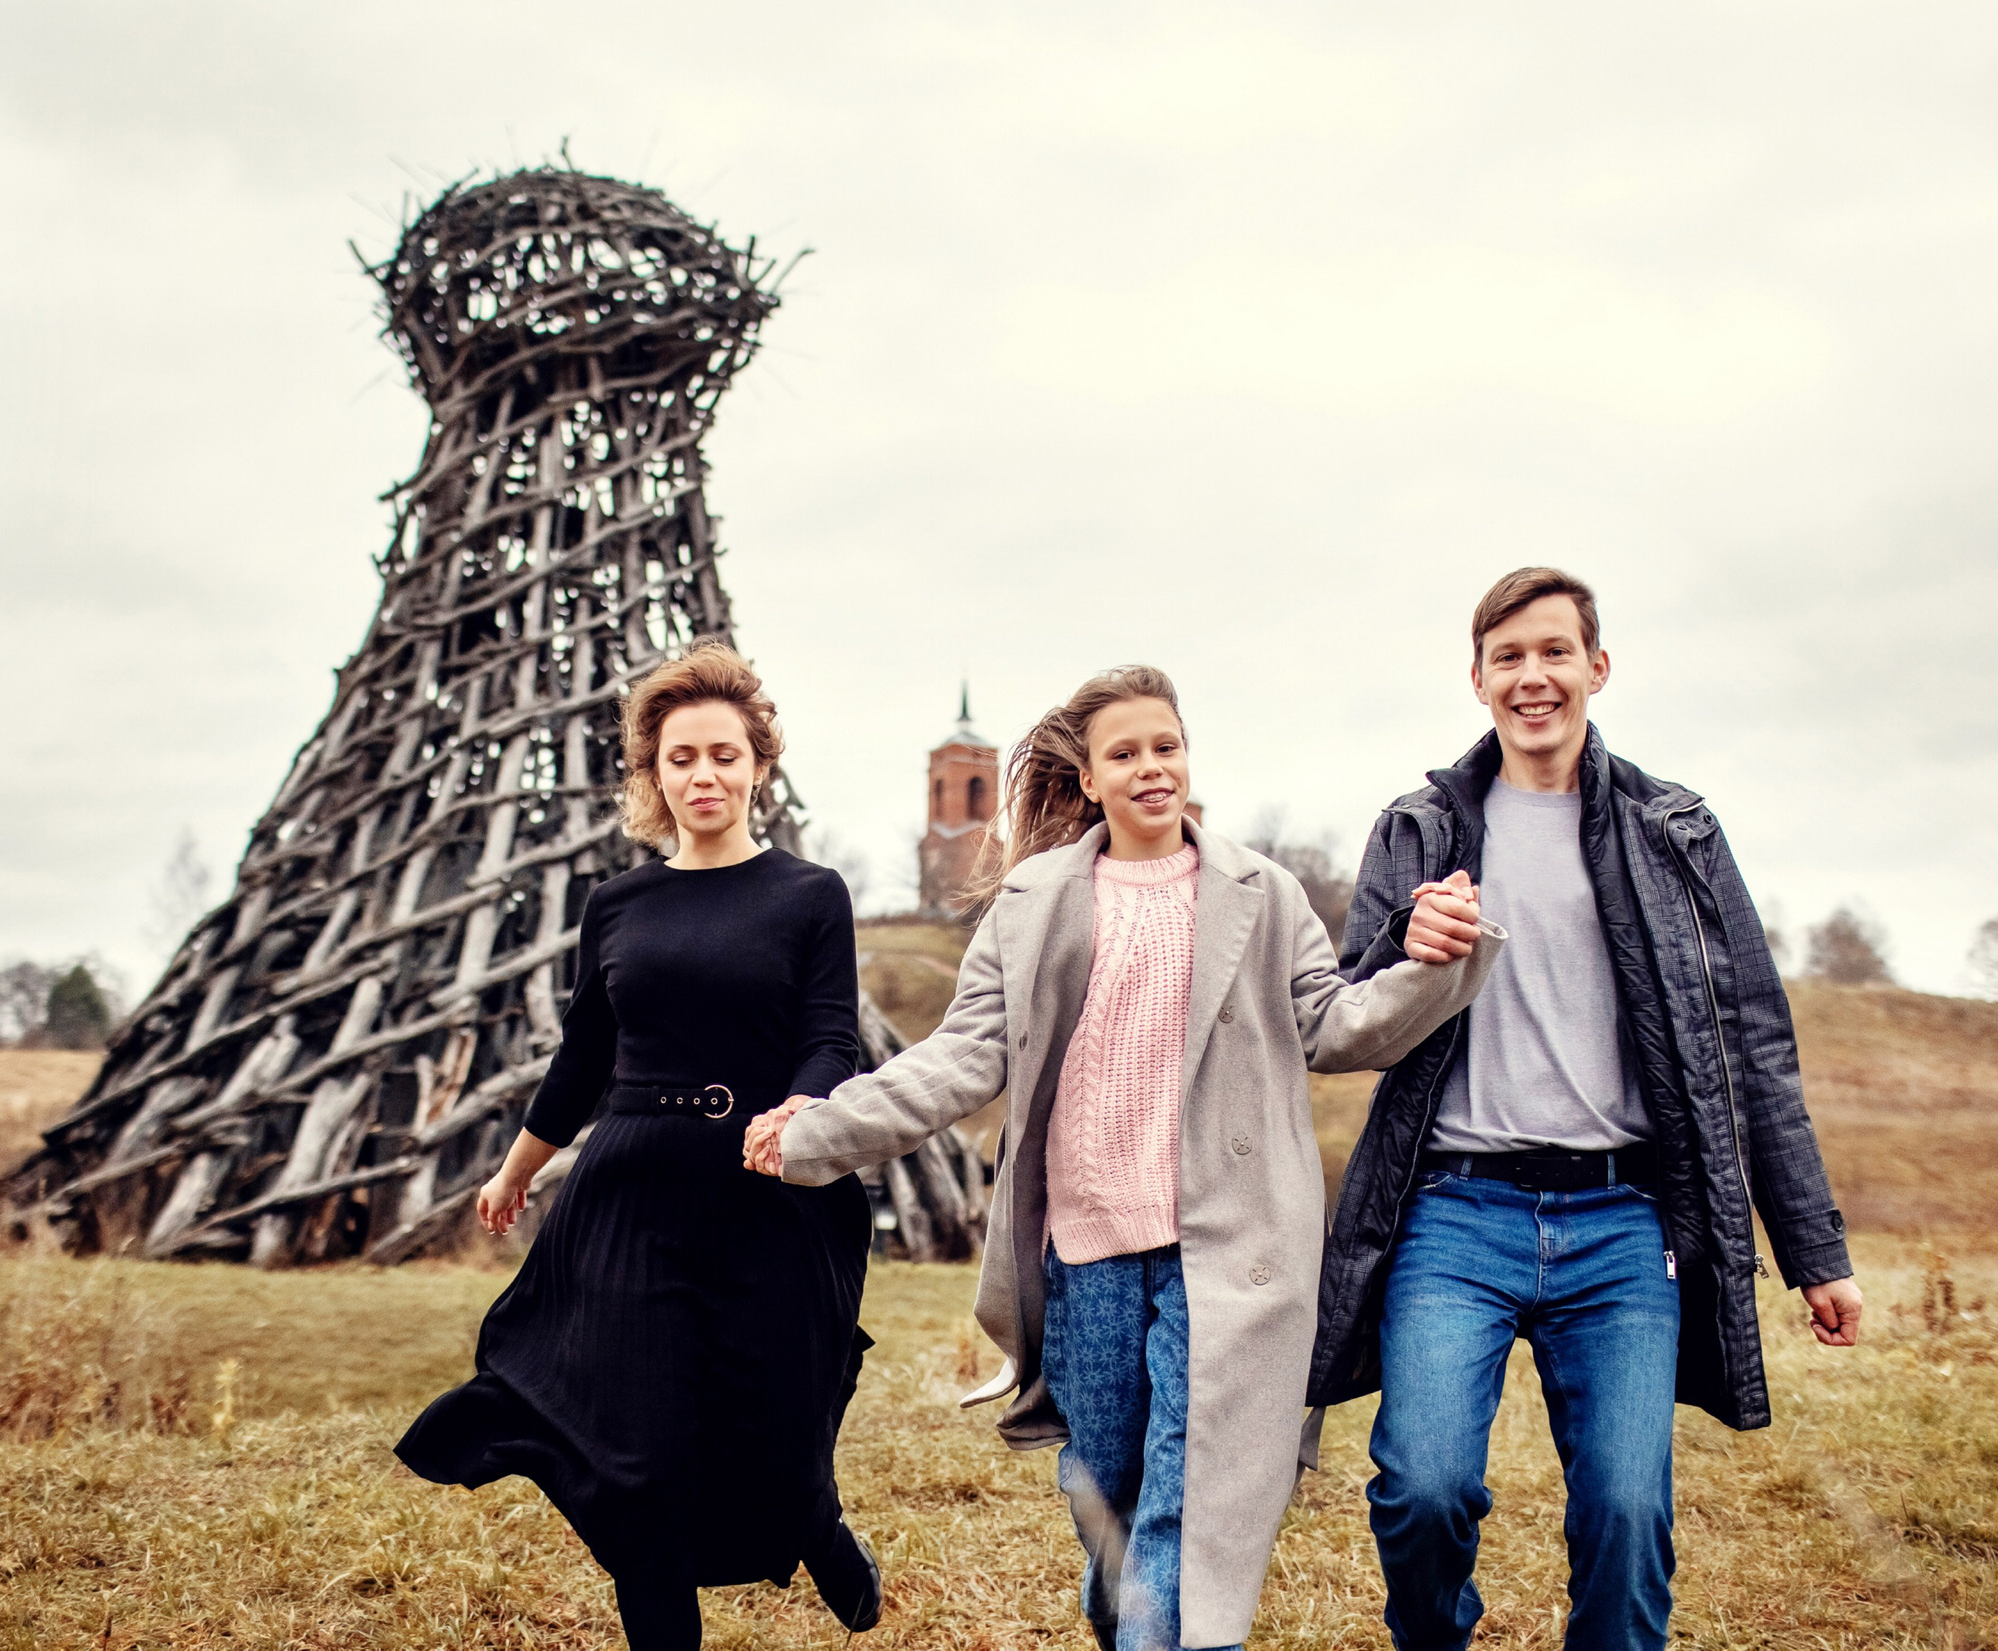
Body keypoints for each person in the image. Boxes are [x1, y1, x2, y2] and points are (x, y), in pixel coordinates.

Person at [745, 665, 1504, 1651]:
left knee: (1186, 1506)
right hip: (1086, 1250)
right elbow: (961, 1058)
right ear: (1090, 778)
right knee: (1107, 1487)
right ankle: (1118, 1614)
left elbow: (1337, 1030)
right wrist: (816, 1133)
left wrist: (1436, 965)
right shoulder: (1032, 903)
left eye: (1165, 746)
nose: (1151, 767)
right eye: (1125, 753)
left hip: (1230, 1250)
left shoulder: (1262, 893)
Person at [1313, 567, 1863, 1651]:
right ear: (1476, 681)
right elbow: (1345, 1018)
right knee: (1421, 1487)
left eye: (1555, 652)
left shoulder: (1675, 831)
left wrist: (1813, 1249)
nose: (1534, 677)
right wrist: (1405, 950)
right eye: (1509, 657)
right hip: (1453, 1212)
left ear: (1596, 669)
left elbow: (1751, 1044)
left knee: (1623, 1508)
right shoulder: (1419, 827)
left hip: (1623, 1222)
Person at [395, 642, 881, 1651]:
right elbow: (585, 1054)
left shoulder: (808, 893)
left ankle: (812, 1519)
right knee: (638, 1454)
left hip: (765, 1183)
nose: (703, 776)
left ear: (758, 765)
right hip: (631, 1190)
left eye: (723, 755)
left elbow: (831, 1031)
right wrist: (517, 1168)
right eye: (681, 759)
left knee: (779, 1412)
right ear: (653, 775)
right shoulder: (617, 904)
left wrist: (799, 1108)